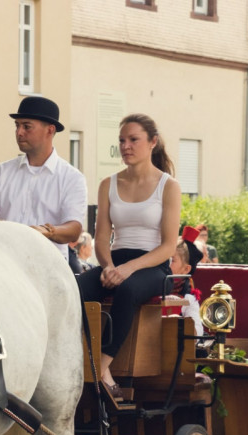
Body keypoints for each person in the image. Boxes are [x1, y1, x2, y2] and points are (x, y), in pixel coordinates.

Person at [77, 113, 182, 399]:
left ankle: (101, 366)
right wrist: (109, 266)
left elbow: (169, 246)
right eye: (122, 140)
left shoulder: (168, 186)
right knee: (75, 288)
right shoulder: (107, 184)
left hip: (153, 267)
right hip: (116, 262)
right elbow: (100, 238)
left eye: (133, 139)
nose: (126, 146)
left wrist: (127, 269)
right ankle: (91, 363)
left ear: (152, 143)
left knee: (127, 288)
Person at [0, 95, 88, 256]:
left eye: (27, 127)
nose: (19, 132)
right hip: (3, 261)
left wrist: (47, 231)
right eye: (17, 126)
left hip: (49, 265)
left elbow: (74, 229)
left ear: (50, 130)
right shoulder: (0, 172)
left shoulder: (72, 178)